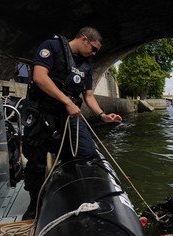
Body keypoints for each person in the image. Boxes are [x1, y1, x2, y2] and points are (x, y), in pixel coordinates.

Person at [21, 26, 122, 220]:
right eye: (93, 48)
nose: (94, 53)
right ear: (84, 39)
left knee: (87, 151)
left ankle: (68, 187)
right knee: (36, 161)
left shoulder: (87, 64)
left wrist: (102, 115)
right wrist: (67, 101)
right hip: (44, 112)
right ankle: (34, 204)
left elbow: (89, 95)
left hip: (69, 117)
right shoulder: (51, 46)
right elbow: (39, 77)